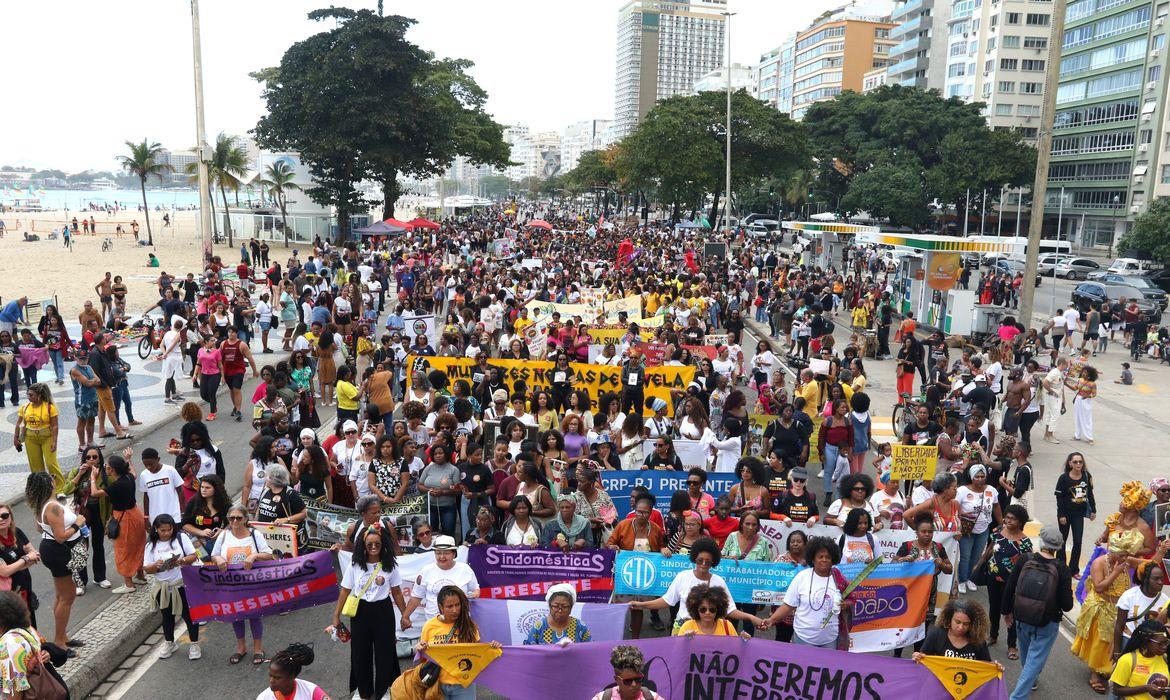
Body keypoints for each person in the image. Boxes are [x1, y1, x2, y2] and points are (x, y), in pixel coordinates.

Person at [328, 524, 406, 700]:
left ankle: (385, 688)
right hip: (360, 612)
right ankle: (362, 691)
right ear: (363, 545)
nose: (373, 548)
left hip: (383, 611)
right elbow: (345, 591)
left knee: (385, 651)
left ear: (382, 544)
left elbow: (397, 592)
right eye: (369, 544)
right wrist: (336, 616)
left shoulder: (389, 565)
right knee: (360, 651)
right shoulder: (355, 565)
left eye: (377, 544)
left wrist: (405, 616)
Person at [630, 537, 763, 634]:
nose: (704, 564)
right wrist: (642, 605)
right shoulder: (683, 576)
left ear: (713, 562)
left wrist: (751, 617)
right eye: (700, 560)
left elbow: (730, 610)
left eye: (708, 561)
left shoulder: (719, 581)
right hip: (682, 628)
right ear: (694, 559)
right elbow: (667, 601)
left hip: (708, 631)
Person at [1003, 525, 1074, 699]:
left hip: (1022, 616)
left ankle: (1031, 680)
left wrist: (1006, 612)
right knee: (1035, 660)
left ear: (1040, 540)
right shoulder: (1062, 568)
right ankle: (1017, 696)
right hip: (1047, 622)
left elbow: (1010, 587)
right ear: (1058, 547)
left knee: (1027, 655)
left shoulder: (1025, 559)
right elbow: (1067, 605)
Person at [1072, 530, 1145, 694]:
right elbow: (1099, 587)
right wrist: (1116, 572)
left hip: (1118, 609)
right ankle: (1095, 674)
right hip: (1101, 606)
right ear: (1113, 551)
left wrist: (1162, 551)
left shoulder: (1125, 559)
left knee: (1114, 641)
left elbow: (1147, 564)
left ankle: (1105, 668)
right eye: (1122, 556)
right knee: (1101, 641)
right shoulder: (1099, 563)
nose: (1125, 559)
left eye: (1127, 555)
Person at [211, 504, 275, 665]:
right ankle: (241, 648)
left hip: (252, 583)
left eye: (239, 518)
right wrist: (218, 559)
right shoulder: (224, 535)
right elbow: (214, 554)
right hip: (231, 584)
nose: (235, 521)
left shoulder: (255, 535)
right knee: (236, 615)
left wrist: (254, 556)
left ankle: (258, 649)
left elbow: (268, 555)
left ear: (246, 519)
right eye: (231, 518)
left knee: (254, 615)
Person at [27, 471, 82, 651]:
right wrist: (78, 523)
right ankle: (59, 640)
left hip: (51, 550)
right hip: (59, 551)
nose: (54, 480)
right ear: (49, 483)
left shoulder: (42, 505)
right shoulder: (52, 507)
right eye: (52, 479)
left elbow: (39, 528)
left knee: (61, 595)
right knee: (68, 596)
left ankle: (63, 635)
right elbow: (60, 537)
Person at [762, 536, 849, 649]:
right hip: (804, 638)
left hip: (830, 639)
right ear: (812, 559)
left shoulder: (839, 578)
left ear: (833, 559)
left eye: (828, 557)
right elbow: (788, 605)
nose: (824, 560)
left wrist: (846, 605)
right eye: (820, 556)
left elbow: (850, 599)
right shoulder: (802, 577)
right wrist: (771, 620)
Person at [415, 585, 500, 700]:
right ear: (441, 607)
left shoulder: (470, 626)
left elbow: (477, 655)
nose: (455, 610)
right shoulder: (430, 626)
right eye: (449, 606)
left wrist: (492, 648)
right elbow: (425, 660)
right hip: (437, 684)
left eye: (457, 605)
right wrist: (421, 649)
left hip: (464, 686)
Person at [87, 450, 147, 594]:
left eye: (107, 467)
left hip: (124, 519)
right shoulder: (128, 478)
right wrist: (129, 459)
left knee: (124, 549)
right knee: (138, 546)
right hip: (136, 514)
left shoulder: (116, 486)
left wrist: (93, 478)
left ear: (112, 470)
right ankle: (140, 575)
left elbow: (95, 493)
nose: (105, 468)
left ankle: (129, 584)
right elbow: (134, 472)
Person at [142, 514, 200, 660]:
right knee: (167, 616)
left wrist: (181, 561)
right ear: (156, 529)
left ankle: (194, 643)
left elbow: (194, 556)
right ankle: (169, 642)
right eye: (163, 530)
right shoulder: (150, 545)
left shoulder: (181, 538)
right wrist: (156, 566)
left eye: (169, 529)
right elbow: (147, 568)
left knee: (189, 615)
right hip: (163, 587)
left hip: (181, 584)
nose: (166, 533)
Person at [399, 535, 479, 635]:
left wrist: (472, 595)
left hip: (460, 625)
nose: (442, 557)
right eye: (438, 553)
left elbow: (476, 590)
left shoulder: (465, 569)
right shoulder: (426, 570)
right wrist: (405, 617)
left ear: (454, 554)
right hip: (434, 626)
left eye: (446, 553)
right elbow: (416, 597)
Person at [913, 598, 1002, 669]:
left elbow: (986, 665)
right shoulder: (936, 635)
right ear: (949, 618)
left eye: (966, 624)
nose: (961, 627)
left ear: (972, 624)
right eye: (957, 622)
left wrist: (995, 667)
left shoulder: (978, 640)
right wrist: (917, 657)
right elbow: (923, 660)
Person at [13, 383, 63, 489]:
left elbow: (54, 426)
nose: (28, 397)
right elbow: (18, 423)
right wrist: (16, 437)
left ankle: (60, 488)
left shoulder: (49, 407)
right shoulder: (25, 407)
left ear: (39, 395)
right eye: (28, 394)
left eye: (31, 395)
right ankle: (41, 489)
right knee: (36, 466)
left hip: (47, 437)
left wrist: (54, 442)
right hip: (30, 438)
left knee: (51, 464)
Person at [1055, 452, 1096, 575]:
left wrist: (1093, 509)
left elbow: (1090, 494)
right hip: (1065, 514)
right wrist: (1061, 515)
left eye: (1080, 462)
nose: (1078, 464)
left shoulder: (1087, 476)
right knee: (1062, 541)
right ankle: (1060, 567)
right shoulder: (1064, 478)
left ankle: (1074, 569)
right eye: (1075, 462)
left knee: (1078, 541)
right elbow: (1059, 498)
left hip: (1079, 514)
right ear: (1070, 463)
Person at [1108, 619, 1170, 699]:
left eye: (1166, 642)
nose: (1164, 647)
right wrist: (1146, 688)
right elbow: (1116, 690)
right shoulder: (1128, 660)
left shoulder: (1164, 657)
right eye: (1160, 644)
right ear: (1146, 641)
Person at [256, 643, 332, 700]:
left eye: (277, 678)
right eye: (270, 675)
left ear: (291, 676)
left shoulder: (311, 691)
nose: (271, 681)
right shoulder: (263, 698)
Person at [524, 583, 592, 645]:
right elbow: (527, 651)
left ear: (571, 608)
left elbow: (590, 650)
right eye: (556, 606)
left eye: (565, 606)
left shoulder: (580, 626)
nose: (560, 610)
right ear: (549, 606)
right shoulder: (539, 627)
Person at [677, 583, 751, 640]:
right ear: (696, 609)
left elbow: (736, 650)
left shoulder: (727, 626)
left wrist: (743, 641)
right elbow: (678, 652)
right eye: (703, 609)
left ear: (718, 609)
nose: (707, 612)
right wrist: (685, 640)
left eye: (712, 610)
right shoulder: (687, 626)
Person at [590, 645, 665, 700]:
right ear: (617, 680)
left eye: (638, 679)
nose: (634, 685)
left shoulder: (653, 698)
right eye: (628, 681)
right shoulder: (601, 698)